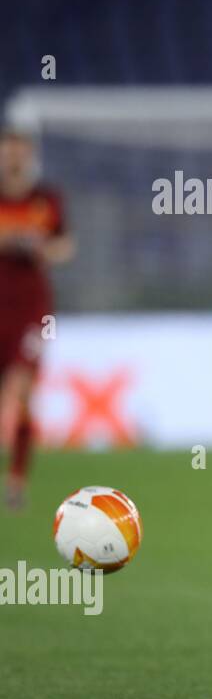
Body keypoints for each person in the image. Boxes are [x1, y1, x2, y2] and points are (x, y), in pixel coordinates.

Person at [0, 130, 74, 512]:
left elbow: (65, 245)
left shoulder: (46, 200)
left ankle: (16, 480)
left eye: (20, 153)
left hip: (33, 311)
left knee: (24, 389)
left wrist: (44, 248)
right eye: (8, 152)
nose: (14, 159)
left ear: (29, 157)